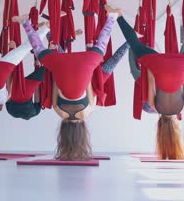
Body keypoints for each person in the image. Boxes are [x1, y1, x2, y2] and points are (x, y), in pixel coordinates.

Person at [107, 4, 184, 160]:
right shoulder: (155, 107)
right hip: (158, 65)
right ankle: (119, 16)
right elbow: (151, 79)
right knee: (136, 45)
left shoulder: (183, 106)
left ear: (176, 127)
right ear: (160, 127)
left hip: (182, 65)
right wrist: (155, 62)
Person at [19, 13, 118, 161]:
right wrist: (61, 65)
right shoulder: (59, 111)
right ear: (63, 134)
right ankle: (26, 23)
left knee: (101, 47)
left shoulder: (88, 111)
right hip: (61, 67)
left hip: (86, 63)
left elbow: (88, 84)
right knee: (40, 51)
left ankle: (112, 17)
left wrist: (87, 62)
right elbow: (56, 83)